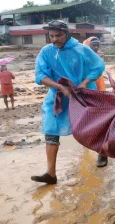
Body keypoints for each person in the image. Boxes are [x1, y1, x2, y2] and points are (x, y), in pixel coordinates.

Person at [31, 20, 105, 184]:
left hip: (83, 94)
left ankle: (102, 151)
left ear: (67, 34)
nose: (55, 39)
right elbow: (40, 75)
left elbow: (98, 66)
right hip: (58, 96)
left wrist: (85, 82)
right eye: (51, 36)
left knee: (92, 126)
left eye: (59, 35)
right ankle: (51, 174)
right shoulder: (46, 52)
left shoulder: (81, 49)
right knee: (51, 128)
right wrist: (59, 87)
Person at [83, 36, 108, 167]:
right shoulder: (81, 57)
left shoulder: (99, 58)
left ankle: (102, 153)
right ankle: (87, 147)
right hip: (85, 92)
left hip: (99, 91)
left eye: (98, 45)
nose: (96, 47)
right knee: (86, 122)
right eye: (93, 45)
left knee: (99, 123)